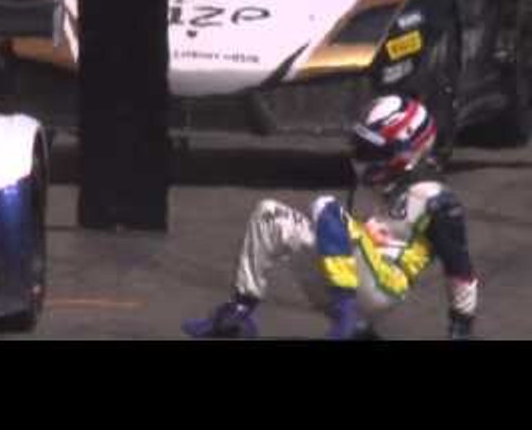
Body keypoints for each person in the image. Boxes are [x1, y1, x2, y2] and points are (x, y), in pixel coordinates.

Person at [182, 95, 478, 340]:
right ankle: (239, 313)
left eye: (372, 149)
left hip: (385, 287)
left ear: (407, 151)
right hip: (358, 275)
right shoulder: (389, 186)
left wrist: (460, 331)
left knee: (326, 206)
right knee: (269, 214)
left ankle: (348, 317)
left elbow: (461, 271)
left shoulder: (438, 200)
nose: (361, 157)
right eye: (361, 146)